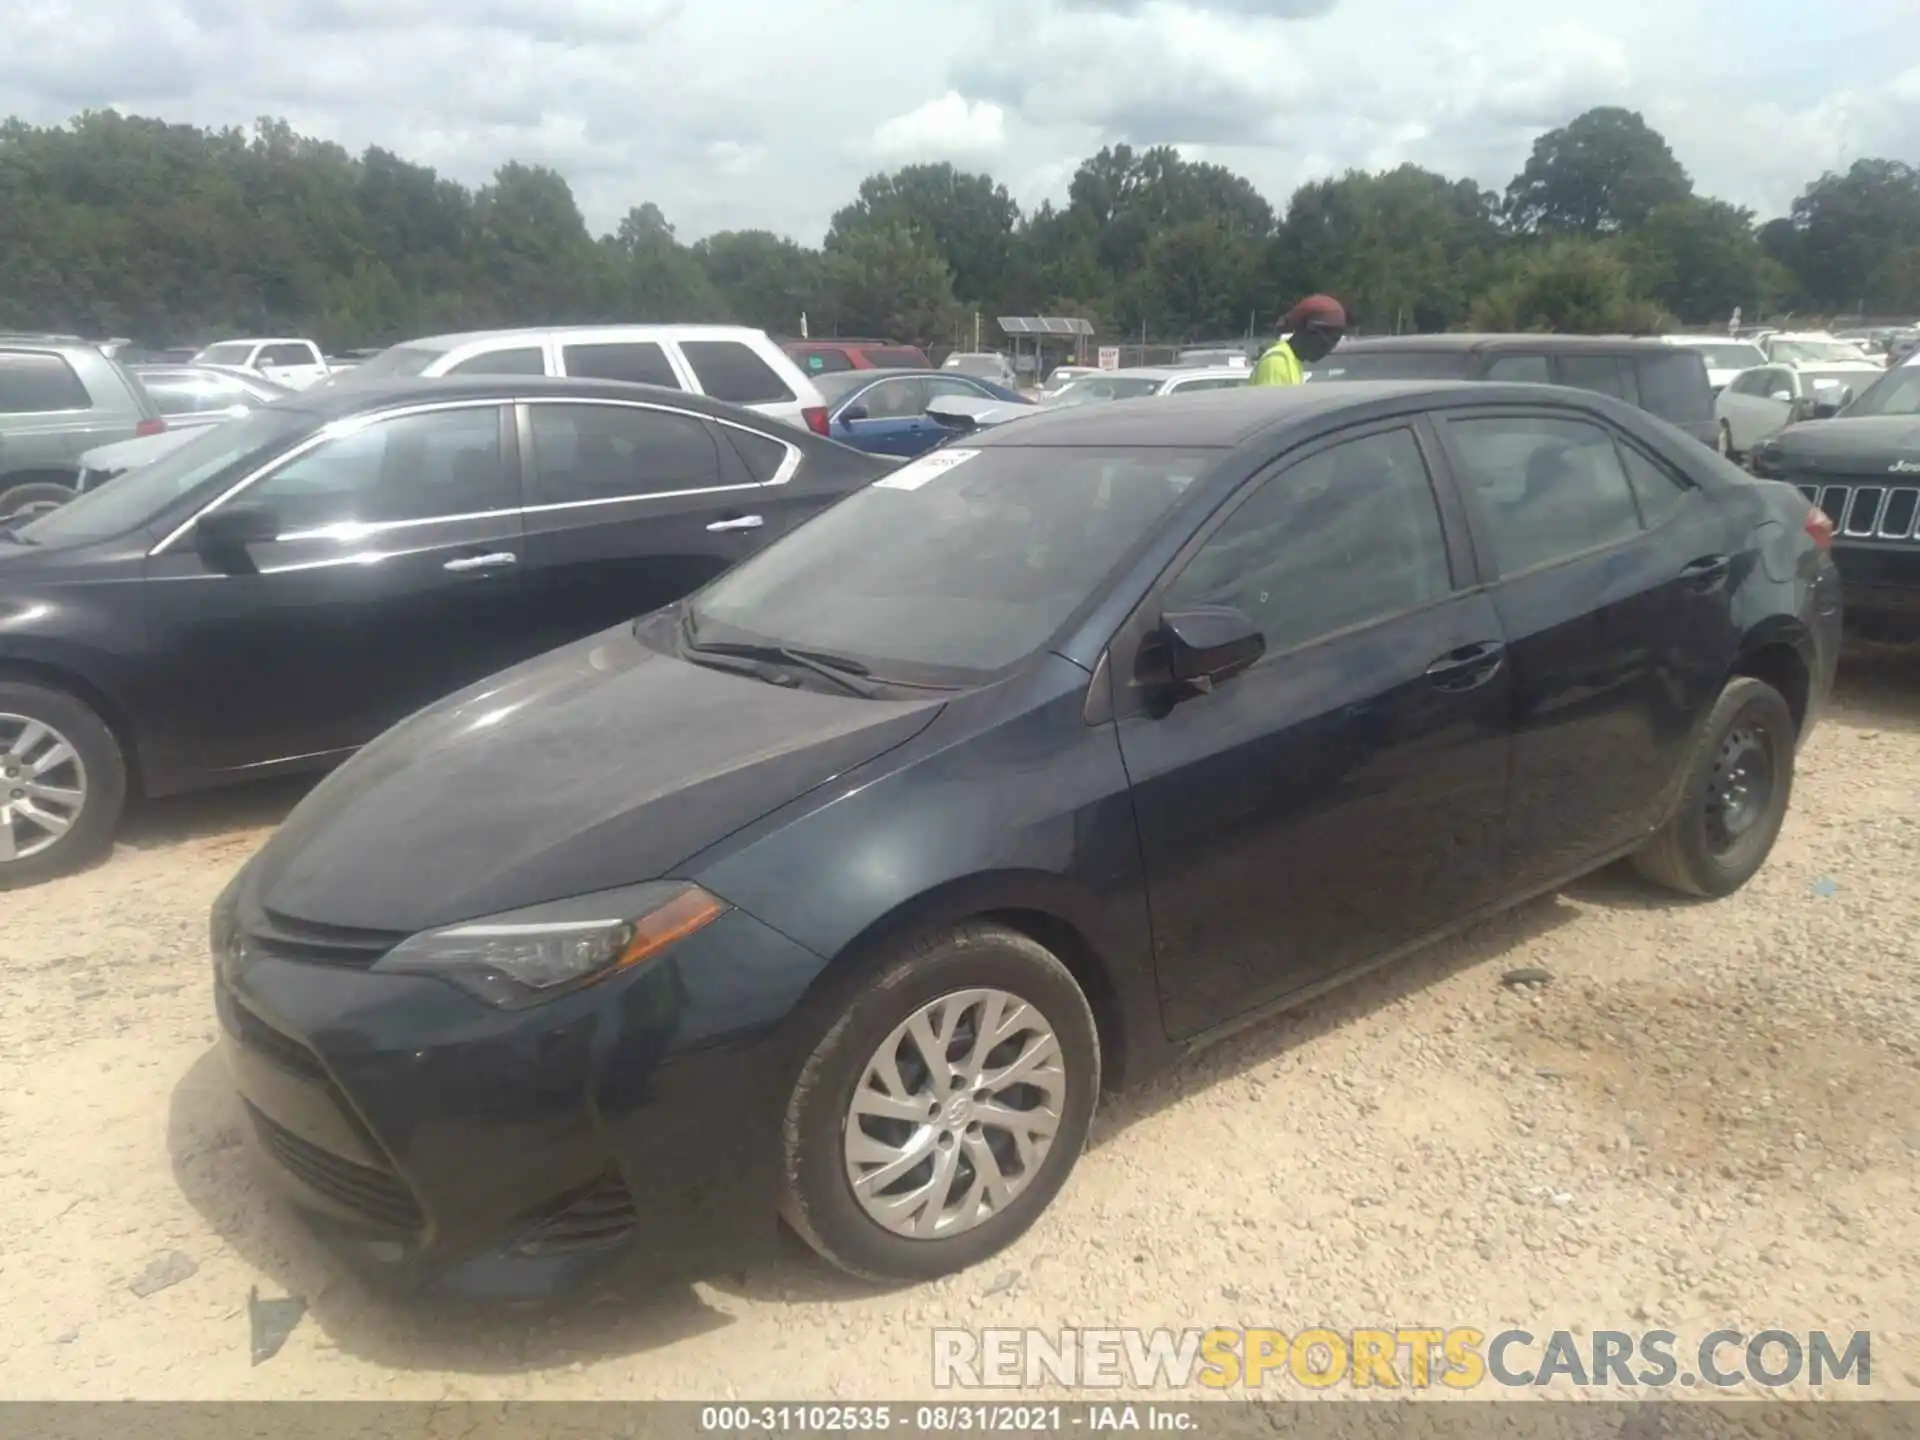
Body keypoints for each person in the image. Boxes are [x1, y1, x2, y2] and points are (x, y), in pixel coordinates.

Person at [1248, 294, 1347, 387]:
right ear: (1308, 330)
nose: (1329, 350)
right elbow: (1272, 404)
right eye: (1326, 342)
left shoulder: (1293, 362)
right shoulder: (1278, 362)